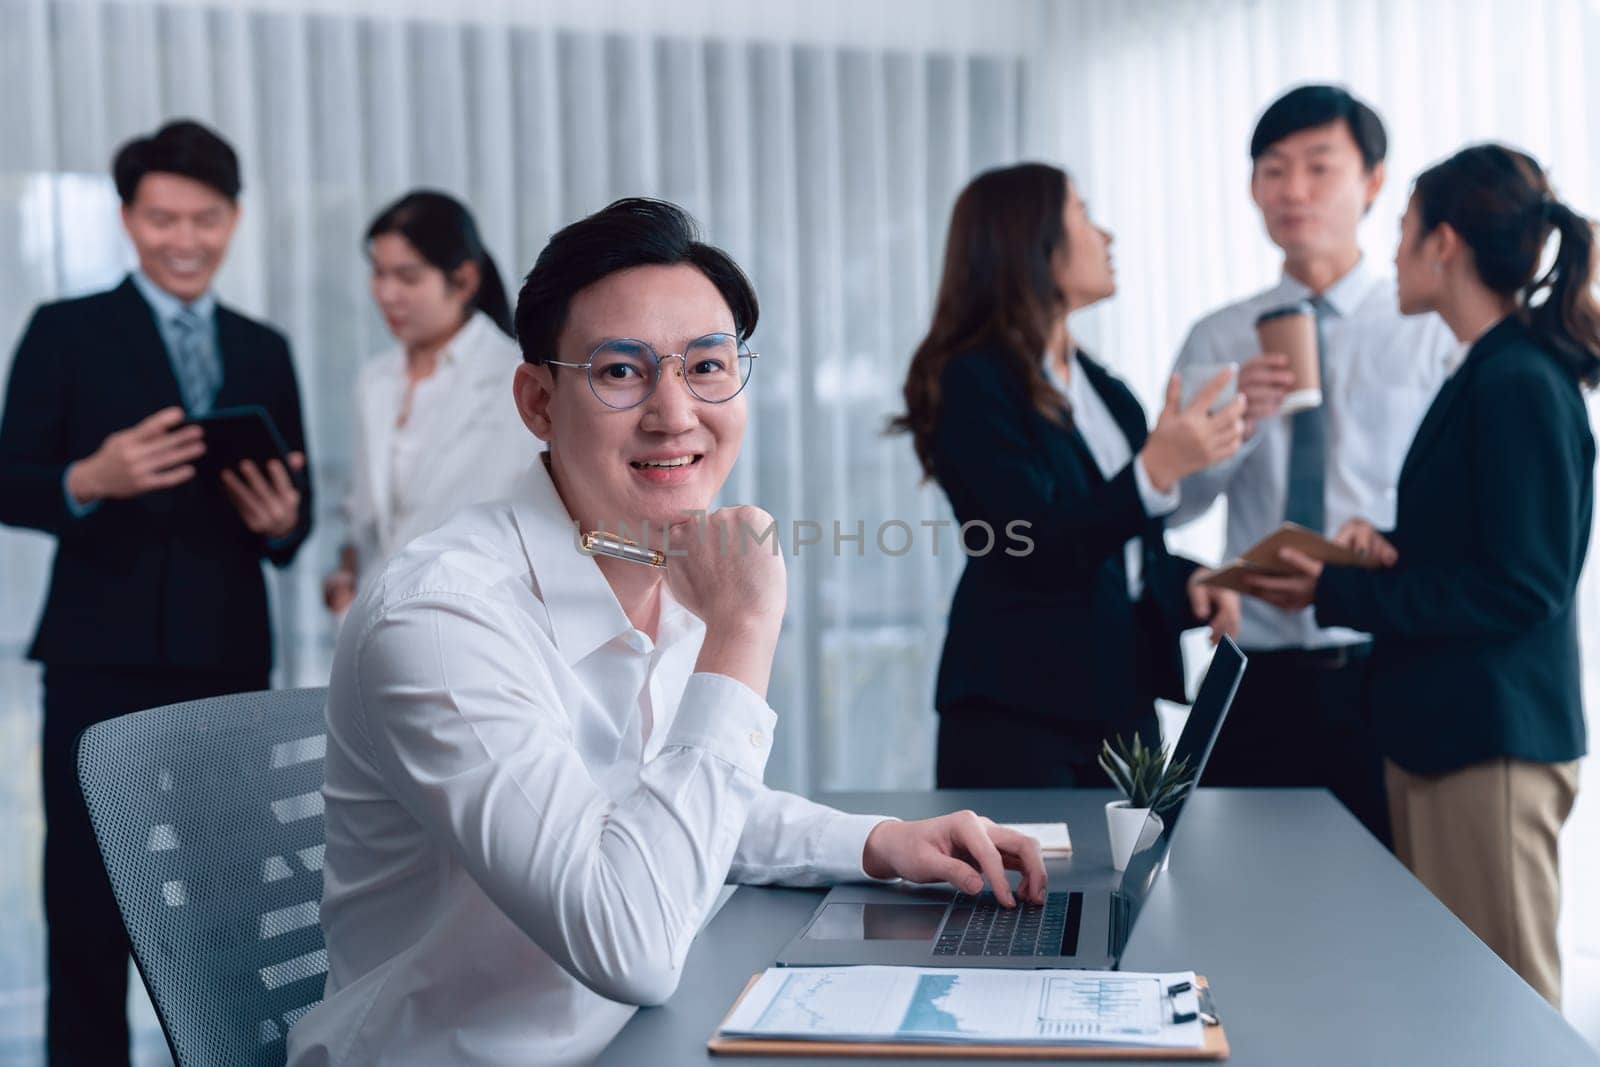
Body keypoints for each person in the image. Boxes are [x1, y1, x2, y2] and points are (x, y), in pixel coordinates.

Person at [286, 198, 1048, 1067]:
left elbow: (660, 800)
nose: (675, 412)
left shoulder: (655, 555)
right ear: (538, 400)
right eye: (621, 371)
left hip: (644, 1039)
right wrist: (744, 627)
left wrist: (877, 843)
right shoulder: (442, 617)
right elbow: (632, 940)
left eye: (708, 366)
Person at [1238, 144, 1596, 1007]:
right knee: (1455, 1003)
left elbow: (1524, 585)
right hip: (1450, 734)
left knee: (1502, 1009)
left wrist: (1337, 590)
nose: (1390, 252)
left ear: (1444, 245)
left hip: (1489, 740)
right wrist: (1386, 546)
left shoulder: (1516, 378)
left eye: (1401, 231)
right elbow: (1487, 550)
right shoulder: (1487, 370)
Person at [0, 119, 312, 1065]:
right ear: (129, 218)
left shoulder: (264, 346)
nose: (184, 239)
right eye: (163, 218)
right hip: (99, 657)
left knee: (232, 911)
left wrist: (281, 525)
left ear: (236, 219)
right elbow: (11, 479)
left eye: (206, 219)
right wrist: (89, 477)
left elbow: (290, 518)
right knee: (87, 908)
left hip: (227, 658)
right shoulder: (65, 330)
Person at [1166, 85, 1458, 847]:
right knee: (1230, 899)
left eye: (1319, 167)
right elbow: (1176, 503)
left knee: (1396, 908)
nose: (1292, 191)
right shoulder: (1220, 335)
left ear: (1372, 181)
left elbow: (1462, 493)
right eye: (1272, 169)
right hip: (1251, 668)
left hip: (1383, 660)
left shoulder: (1428, 325)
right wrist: (1237, 428)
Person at [894, 162, 1245, 790]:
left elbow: (1124, 554)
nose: (1106, 236)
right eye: (1084, 214)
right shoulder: (970, 378)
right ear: (1032, 242)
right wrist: (1154, 471)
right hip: (1020, 715)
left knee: (1128, 887)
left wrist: (1197, 580)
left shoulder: (1108, 391)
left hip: (1123, 710)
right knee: (1015, 890)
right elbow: (1029, 540)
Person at [323, 190, 531, 613]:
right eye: (378, 274)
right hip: (376, 612)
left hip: (475, 612)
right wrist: (346, 571)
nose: (386, 293)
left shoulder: (517, 377)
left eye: (408, 277)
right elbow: (369, 515)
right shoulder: (374, 381)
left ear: (463, 280)